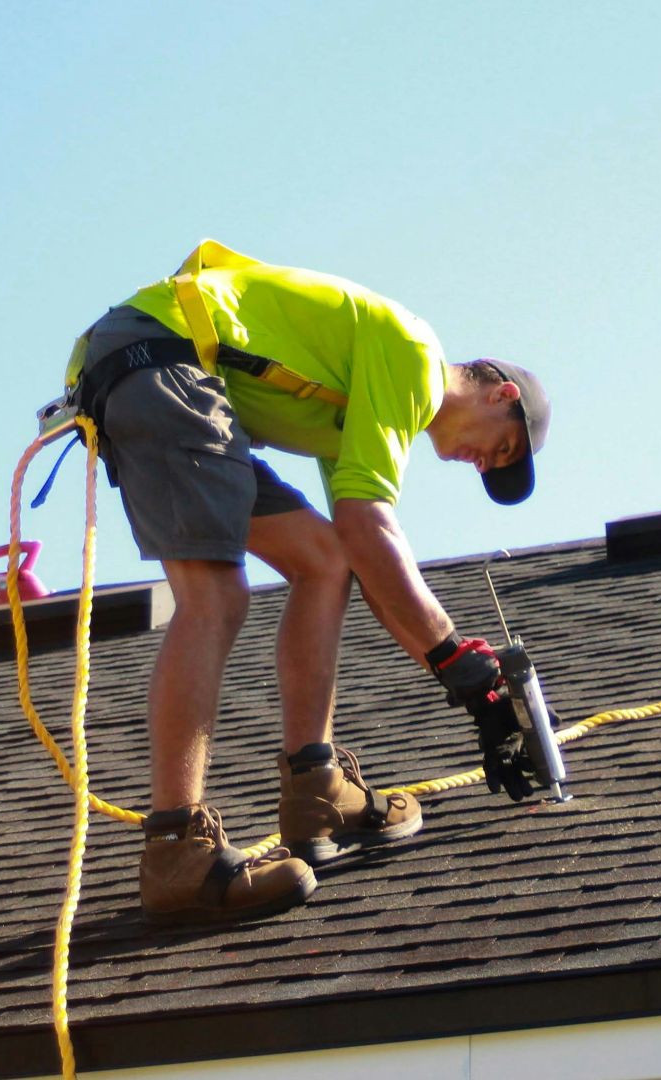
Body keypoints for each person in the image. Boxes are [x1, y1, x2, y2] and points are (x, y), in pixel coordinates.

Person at [61, 241, 552, 925]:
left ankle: (316, 789)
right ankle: (175, 850)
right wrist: (455, 659)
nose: (481, 462)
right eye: (500, 447)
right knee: (214, 595)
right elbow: (373, 525)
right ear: (502, 393)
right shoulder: (412, 354)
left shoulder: (362, 406)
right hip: (160, 362)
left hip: (168, 375)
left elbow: (360, 545)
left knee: (323, 561)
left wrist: (458, 672)